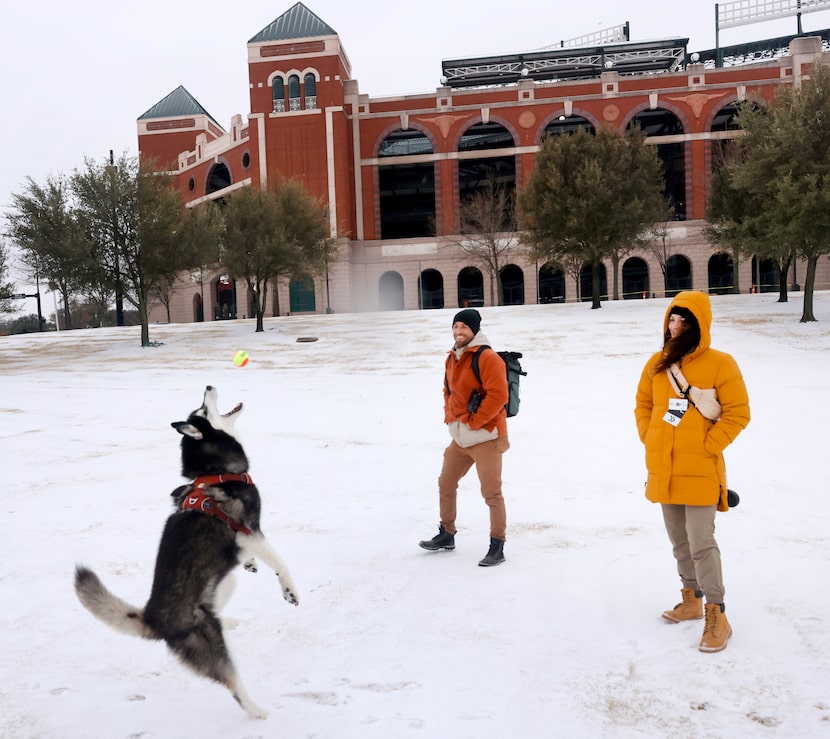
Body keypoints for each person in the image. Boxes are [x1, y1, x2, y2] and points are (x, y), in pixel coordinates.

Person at [635, 291, 750, 653]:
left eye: (683, 320)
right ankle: (692, 599)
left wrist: (707, 446)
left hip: (700, 469)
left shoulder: (721, 363)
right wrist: (651, 436)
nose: (675, 326)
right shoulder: (657, 363)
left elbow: (738, 414)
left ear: (699, 324)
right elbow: (643, 404)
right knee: (679, 542)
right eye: (671, 318)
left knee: (702, 543)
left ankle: (718, 614)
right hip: (664, 468)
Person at [419, 308, 510, 567]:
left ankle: (497, 545)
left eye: (464, 328)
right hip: (460, 439)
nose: (459, 332)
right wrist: (451, 417)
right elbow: (447, 390)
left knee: (491, 493)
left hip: (486, 438)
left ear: (474, 330)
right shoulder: (452, 356)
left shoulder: (488, 357)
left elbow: (498, 396)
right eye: (455, 327)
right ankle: (447, 534)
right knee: (446, 483)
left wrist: (474, 422)